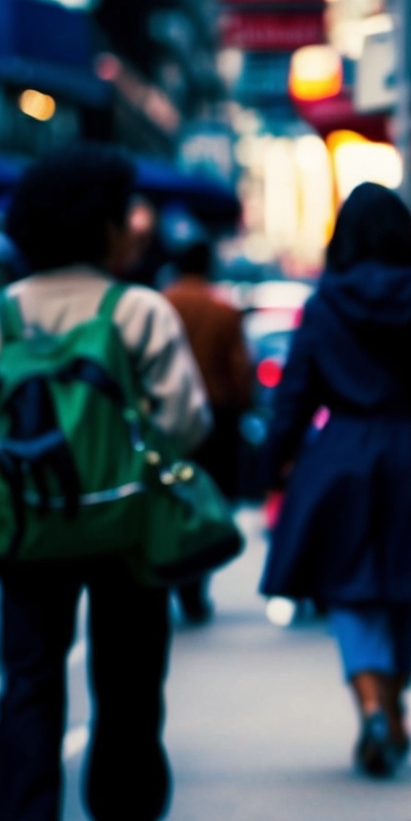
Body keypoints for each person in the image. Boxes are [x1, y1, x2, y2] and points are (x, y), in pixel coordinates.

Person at [0, 146, 211, 821]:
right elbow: (186, 420)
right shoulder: (136, 310)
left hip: (28, 524)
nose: (138, 224)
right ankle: (121, 818)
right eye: (125, 211)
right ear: (99, 225)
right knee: (128, 673)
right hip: (126, 524)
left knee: (28, 676)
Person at [259, 183, 411, 778]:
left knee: (350, 587)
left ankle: (371, 704)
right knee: (405, 588)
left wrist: (273, 461)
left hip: (342, 453)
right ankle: (393, 703)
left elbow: (294, 393)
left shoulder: (324, 304)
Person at [163, 238, 254, 624]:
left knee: (172, 498)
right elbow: (239, 369)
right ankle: (194, 585)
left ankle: (178, 573)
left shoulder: (160, 304)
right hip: (216, 418)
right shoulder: (223, 309)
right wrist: (244, 406)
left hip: (166, 420)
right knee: (209, 500)